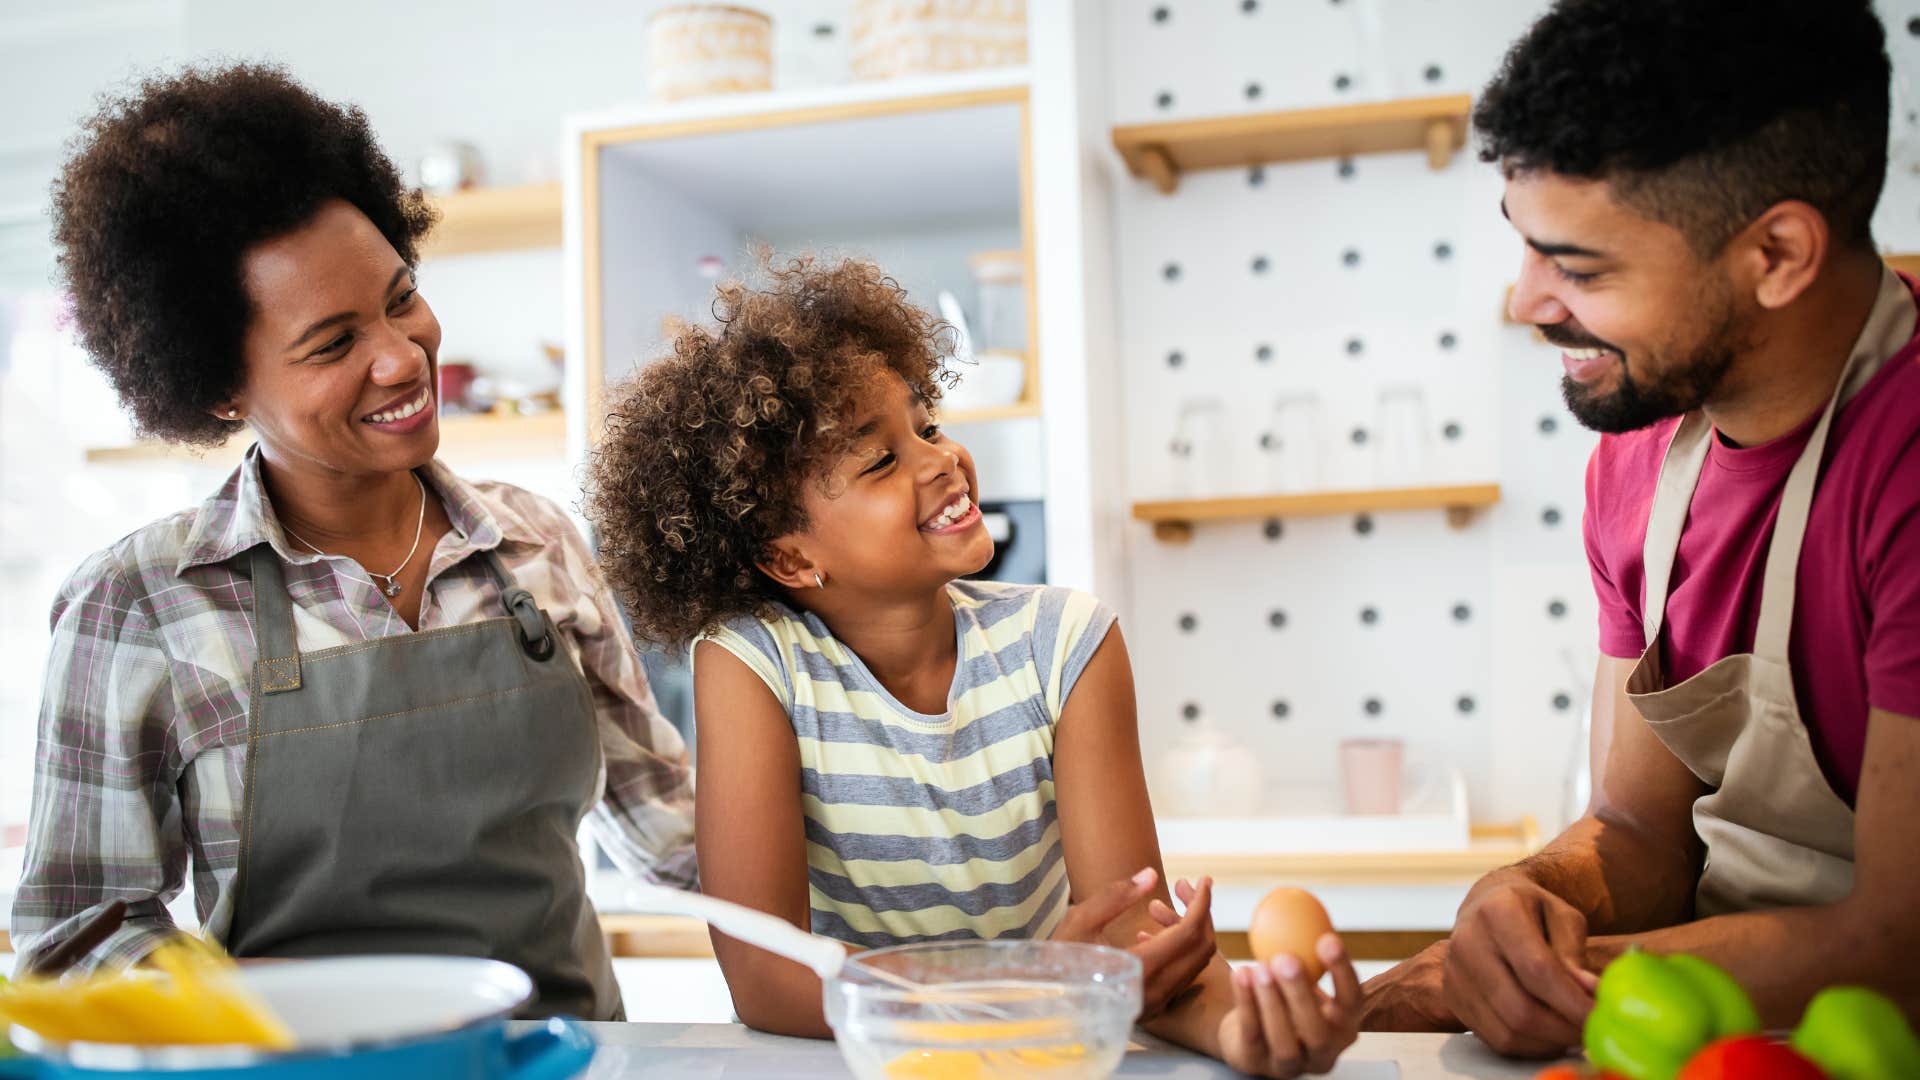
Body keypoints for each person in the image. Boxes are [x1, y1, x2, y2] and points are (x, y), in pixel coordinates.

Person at [11, 64, 695, 1021]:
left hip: (568, 1057)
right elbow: (77, 930)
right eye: (332, 344)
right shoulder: (141, 605)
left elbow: (669, 826)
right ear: (218, 386)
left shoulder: (536, 540)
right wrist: (247, 1023)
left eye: (401, 297)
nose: (403, 356)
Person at [584, 255, 1363, 1076]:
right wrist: (1027, 980)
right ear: (789, 556)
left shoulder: (1065, 643)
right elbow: (767, 976)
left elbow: (1134, 945)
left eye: (926, 426)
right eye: (880, 461)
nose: (939, 459)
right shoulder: (753, 665)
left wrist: (1244, 1032)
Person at [1358, 0, 1920, 1054]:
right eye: (1525, 251)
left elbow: (1900, 941)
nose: (1525, 303)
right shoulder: (1640, 455)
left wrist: (1536, 976)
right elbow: (1638, 833)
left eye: (1579, 267)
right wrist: (1519, 898)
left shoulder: (1906, 462)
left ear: (1779, 253)